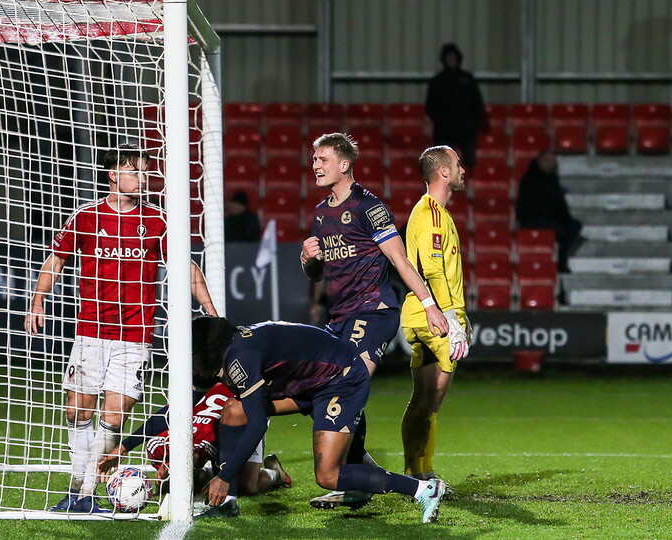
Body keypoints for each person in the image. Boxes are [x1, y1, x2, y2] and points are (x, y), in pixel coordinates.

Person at [24, 143, 218, 513]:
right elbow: (57, 259)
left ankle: (84, 491)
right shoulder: (86, 216)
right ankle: (79, 488)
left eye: (145, 172)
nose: (143, 179)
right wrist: (37, 300)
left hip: (135, 336)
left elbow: (186, 266)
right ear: (113, 175)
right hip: (90, 332)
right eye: (135, 172)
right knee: (77, 412)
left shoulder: (158, 221)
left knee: (114, 416)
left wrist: (211, 310)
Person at [299, 132, 449, 509]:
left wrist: (429, 305)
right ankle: (359, 474)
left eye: (322, 159)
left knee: (344, 384)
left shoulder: (369, 206)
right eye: (314, 160)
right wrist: (307, 260)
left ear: (344, 164)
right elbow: (318, 274)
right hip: (339, 318)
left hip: (372, 312)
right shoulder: (320, 214)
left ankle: (361, 478)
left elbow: (400, 260)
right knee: (334, 390)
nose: (315, 166)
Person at [192, 316, 446, 524]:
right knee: (234, 410)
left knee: (328, 475)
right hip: (308, 384)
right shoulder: (233, 348)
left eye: (191, 354)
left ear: (207, 351)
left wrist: (225, 476)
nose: (189, 362)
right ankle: (227, 504)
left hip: (340, 380)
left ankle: (423, 489)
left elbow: (258, 423)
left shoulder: (240, 358)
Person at [400, 145, 472, 489]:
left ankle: (416, 473)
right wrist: (451, 318)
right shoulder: (430, 214)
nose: (463, 170)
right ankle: (422, 473)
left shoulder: (435, 213)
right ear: (443, 171)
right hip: (433, 318)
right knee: (431, 401)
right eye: (457, 164)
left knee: (423, 400)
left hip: (427, 314)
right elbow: (431, 269)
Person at [97, 381, 291, 499]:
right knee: (174, 487)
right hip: (218, 405)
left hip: (244, 418)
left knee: (246, 487)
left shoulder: (212, 442)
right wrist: (125, 447)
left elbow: (225, 475)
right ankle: (199, 478)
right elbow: (166, 415)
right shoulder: (158, 447)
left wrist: (222, 479)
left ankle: (275, 473)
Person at [516, 150, 584, 272]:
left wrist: (566, 220)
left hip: (552, 219)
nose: (550, 164)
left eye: (553, 161)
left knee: (575, 226)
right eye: (547, 161)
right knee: (563, 231)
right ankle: (560, 262)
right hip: (533, 219)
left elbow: (560, 206)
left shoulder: (552, 180)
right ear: (539, 161)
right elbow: (531, 206)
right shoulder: (529, 179)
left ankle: (561, 259)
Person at [425, 43, 487, 170]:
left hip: (466, 130)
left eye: (453, 57)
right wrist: (439, 121)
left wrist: (473, 123)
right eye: (448, 57)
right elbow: (430, 105)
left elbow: (477, 103)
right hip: (444, 130)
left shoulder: (467, 79)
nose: (451, 60)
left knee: (470, 160)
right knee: (444, 164)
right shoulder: (438, 81)